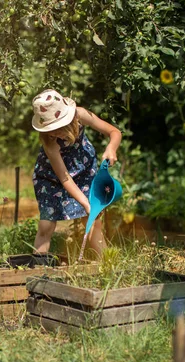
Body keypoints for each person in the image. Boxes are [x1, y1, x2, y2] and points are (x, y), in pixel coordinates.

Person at [31, 89, 121, 263]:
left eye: (57, 128)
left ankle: (107, 265)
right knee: (46, 225)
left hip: (84, 171)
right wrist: (85, 202)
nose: (54, 133)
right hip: (51, 177)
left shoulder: (80, 115)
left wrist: (111, 148)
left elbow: (114, 132)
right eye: (50, 129)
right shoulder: (50, 142)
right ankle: (38, 268)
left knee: (94, 221)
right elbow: (64, 178)